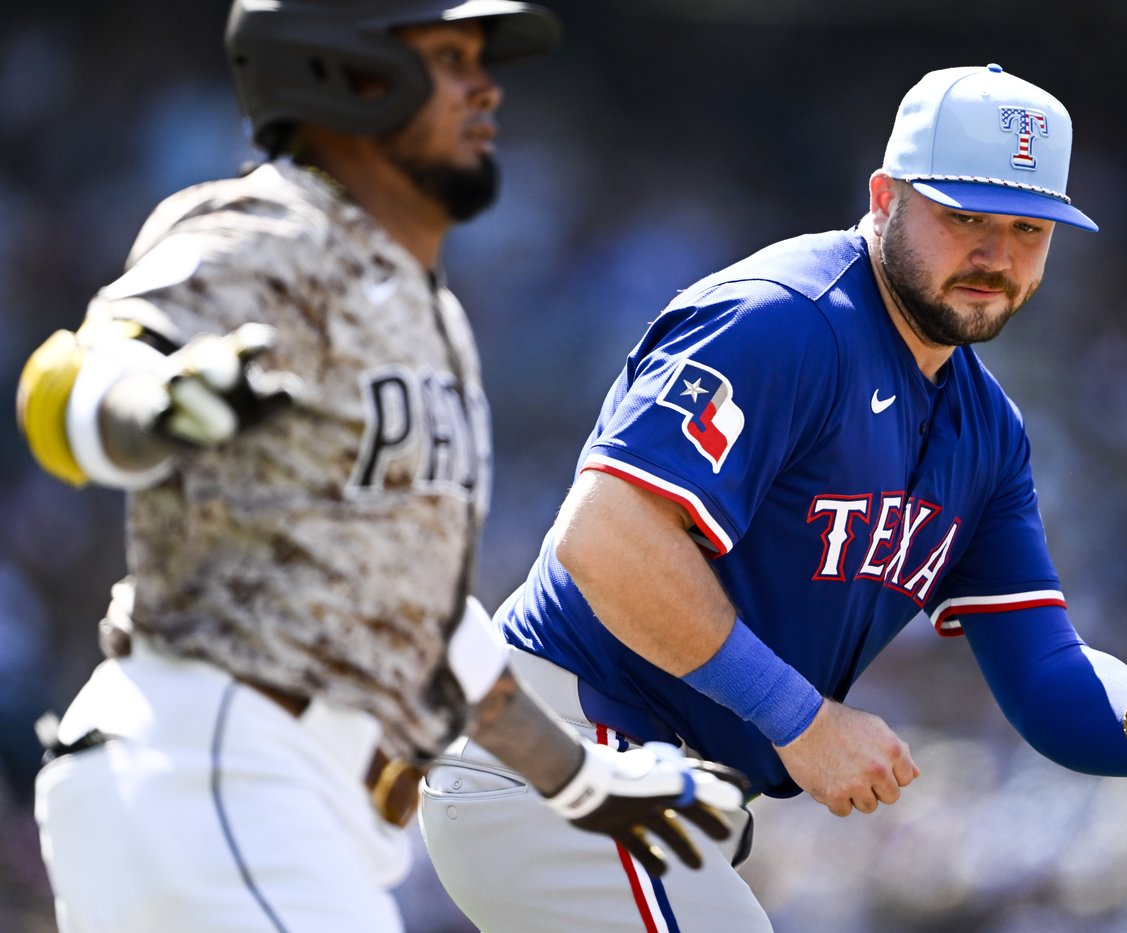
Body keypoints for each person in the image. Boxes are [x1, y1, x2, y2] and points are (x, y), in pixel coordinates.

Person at [416, 63, 1127, 931]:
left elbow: (1045, 675)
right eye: (965, 216)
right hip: (557, 750)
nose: (997, 254)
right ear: (885, 197)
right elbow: (602, 535)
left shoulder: (987, 434)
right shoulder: (786, 320)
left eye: (1030, 229)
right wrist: (798, 716)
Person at [15, 2, 745, 931]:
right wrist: (149, 406)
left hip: (268, 805)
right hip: (220, 766)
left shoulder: (416, 307)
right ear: (340, 77)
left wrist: (584, 782)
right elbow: (85, 368)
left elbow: (423, 622)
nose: (485, 88)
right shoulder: (273, 226)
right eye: (447, 59)